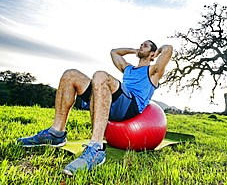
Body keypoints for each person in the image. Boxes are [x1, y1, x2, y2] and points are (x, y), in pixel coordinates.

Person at [16, 40, 173, 175]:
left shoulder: (153, 71)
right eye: (141, 44)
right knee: (70, 74)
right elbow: (114, 52)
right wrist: (134, 51)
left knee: (100, 75)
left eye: (145, 46)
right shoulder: (128, 68)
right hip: (115, 102)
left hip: (129, 108)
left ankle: (96, 148)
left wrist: (158, 52)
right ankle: (56, 134)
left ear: (152, 54)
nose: (141, 46)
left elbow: (169, 49)